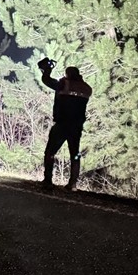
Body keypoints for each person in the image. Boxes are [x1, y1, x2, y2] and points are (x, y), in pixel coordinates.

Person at [38, 58, 92, 189]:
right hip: (76, 126)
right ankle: (72, 183)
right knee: (75, 154)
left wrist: (47, 70)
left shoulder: (64, 84)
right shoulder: (86, 88)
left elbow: (46, 80)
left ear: (68, 74)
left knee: (50, 152)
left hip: (62, 124)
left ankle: (48, 180)